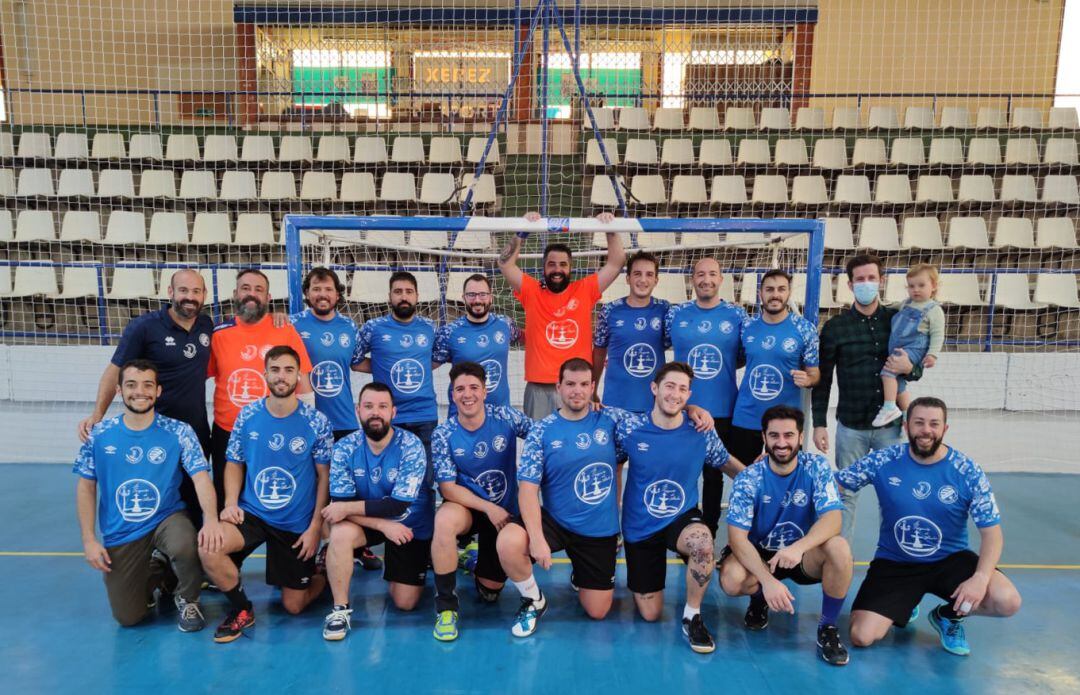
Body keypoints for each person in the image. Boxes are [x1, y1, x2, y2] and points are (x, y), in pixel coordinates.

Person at [496, 358, 713, 638]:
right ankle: (533, 599)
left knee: (598, 611)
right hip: (557, 520)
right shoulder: (542, 430)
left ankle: (582, 572)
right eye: (570, 384)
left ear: (592, 387)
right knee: (509, 541)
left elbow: (659, 413)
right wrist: (536, 538)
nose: (577, 391)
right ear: (558, 387)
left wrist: (693, 408)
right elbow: (527, 489)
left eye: (584, 384)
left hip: (598, 531)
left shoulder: (613, 420)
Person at [838, 397, 1021, 656]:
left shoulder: (967, 471)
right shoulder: (883, 460)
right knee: (861, 636)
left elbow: (993, 535)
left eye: (934, 424)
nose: (926, 430)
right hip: (896, 562)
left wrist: (980, 579)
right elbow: (836, 483)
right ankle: (907, 601)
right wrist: (778, 469)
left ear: (945, 429)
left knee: (1007, 601)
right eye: (919, 423)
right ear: (906, 427)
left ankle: (947, 615)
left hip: (950, 560)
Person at [75, 359, 222, 631]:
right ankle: (159, 569)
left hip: (167, 517)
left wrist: (211, 519)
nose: (139, 391)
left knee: (184, 542)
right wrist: (89, 540)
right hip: (122, 529)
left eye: (147, 385)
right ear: (119, 390)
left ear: (158, 391)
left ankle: (188, 598)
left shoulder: (178, 431)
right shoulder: (100, 435)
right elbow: (86, 486)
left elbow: (201, 478)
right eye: (131, 385)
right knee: (128, 617)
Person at [198, 346, 332, 643]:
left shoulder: (316, 422)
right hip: (253, 514)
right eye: (275, 369)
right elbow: (234, 462)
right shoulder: (248, 416)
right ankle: (242, 608)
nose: (281, 376)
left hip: (295, 523)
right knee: (209, 548)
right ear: (264, 374)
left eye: (288, 370)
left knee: (294, 606)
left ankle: (321, 572)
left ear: (298, 376)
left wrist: (314, 529)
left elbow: (324, 477)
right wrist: (231, 503)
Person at [613, 361, 743, 654]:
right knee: (650, 614)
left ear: (689, 395)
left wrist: (764, 478)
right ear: (654, 388)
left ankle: (692, 615)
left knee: (702, 543)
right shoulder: (630, 427)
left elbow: (727, 464)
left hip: (681, 517)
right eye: (670, 386)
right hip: (639, 524)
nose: (675, 394)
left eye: (683, 389)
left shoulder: (701, 431)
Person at [77, 269, 214, 524]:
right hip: (153, 432)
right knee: (154, 495)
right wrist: (98, 414)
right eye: (183, 290)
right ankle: (150, 552)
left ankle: (190, 554)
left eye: (196, 291)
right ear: (170, 292)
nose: (190, 297)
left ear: (204, 295)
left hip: (194, 431)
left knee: (194, 495)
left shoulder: (207, 325)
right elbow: (114, 371)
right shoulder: (144, 327)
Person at [720, 405, 852, 666]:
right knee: (732, 580)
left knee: (839, 548)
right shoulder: (749, 478)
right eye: (775, 436)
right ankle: (759, 600)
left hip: (800, 555)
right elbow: (737, 539)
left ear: (800, 437)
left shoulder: (815, 466)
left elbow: (833, 519)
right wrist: (767, 581)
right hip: (760, 554)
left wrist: (798, 548)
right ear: (764, 437)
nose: (782, 443)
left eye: (789, 435)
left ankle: (827, 628)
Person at [811, 254, 922, 540]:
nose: (866, 283)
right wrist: (819, 423)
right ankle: (840, 559)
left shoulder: (897, 321)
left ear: (881, 281)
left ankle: (897, 555)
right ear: (850, 285)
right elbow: (823, 380)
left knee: (895, 495)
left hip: (891, 427)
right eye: (860, 279)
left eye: (871, 278)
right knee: (845, 495)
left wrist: (912, 368)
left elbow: (915, 367)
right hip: (851, 428)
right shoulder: (835, 328)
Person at [319, 383, 435, 641]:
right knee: (339, 534)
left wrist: (347, 508)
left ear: (393, 412)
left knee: (405, 603)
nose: (375, 412)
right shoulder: (345, 448)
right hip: (371, 524)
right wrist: (383, 526)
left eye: (382, 407)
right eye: (369, 406)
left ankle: (413, 563)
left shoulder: (411, 445)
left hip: (408, 525)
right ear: (358, 410)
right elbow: (339, 505)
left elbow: (397, 506)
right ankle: (340, 609)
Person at [429, 361, 533, 641]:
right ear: (452, 395)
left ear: (485, 391)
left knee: (490, 594)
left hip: (504, 513)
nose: (467, 394)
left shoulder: (505, 417)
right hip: (471, 508)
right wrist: (488, 507)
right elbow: (448, 488)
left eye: (474, 387)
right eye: (460, 389)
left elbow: (541, 434)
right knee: (444, 520)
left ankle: (470, 560)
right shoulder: (444, 434)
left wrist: (583, 413)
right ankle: (447, 608)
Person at [289, 266, 382, 572]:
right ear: (306, 294)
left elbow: (358, 364)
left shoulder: (348, 327)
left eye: (328, 289)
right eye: (316, 288)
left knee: (349, 487)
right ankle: (317, 541)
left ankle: (360, 545)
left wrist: (392, 361)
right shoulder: (292, 325)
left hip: (343, 420)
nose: (322, 294)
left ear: (338, 294)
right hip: (305, 422)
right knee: (314, 486)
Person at [498, 212, 625, 420]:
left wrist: (610, 228)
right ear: (543, 267)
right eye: (551, 264)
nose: (557, 270)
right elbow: (505, 264)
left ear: (571, 267)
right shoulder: (532, 291)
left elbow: (616, 263)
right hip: (539, 389)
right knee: (539, 447)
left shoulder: (585, 290)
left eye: (563, 264)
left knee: (576, 449)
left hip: (576, 389)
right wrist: (522, 231)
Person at [208, 268, 314, 508]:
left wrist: (307, 426)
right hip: (227, 430)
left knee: (272, 499)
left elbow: (303, 380)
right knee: (228, 502)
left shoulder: (284, 330)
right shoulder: (219, 335)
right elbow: (195, 376)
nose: (251, 294)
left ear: (268, 297)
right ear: (235, 294)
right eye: (246, 288)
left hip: (274, 430)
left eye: (259, 290)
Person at [664, 256, 748, 535]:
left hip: (722, 408)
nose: (706, 279)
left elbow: (741, 358)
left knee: (715, 474)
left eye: (713, 273)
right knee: (680, 471)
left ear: (722, 279)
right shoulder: (676, 314)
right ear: (692, 279)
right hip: (681, 408)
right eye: (700, 274)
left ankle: (709, 530)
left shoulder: (736, 316)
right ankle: (676, 528)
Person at [729, 269, 820, 466]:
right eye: (769, 289)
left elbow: (814, 373)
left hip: (786, 420)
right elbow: (738, 360)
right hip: (748, 414)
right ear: (761, 293)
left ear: (789, 293)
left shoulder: (805, 329)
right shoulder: (746, 327)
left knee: (785, 478)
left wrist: (809, 379)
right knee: (744, 477)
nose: (775, 294)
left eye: (781, 289)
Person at [354, 271, 439, 463]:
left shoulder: (430, 327)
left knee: (424, 480)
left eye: (409, 292)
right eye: (398, 291)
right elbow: (355, 361)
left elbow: (437, 358)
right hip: (388, 415)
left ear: (417, 297)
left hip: (424, 415)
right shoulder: (373, 327)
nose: (404, 297)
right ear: (389, 297)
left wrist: (418, 368)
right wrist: (383, 367)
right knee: (389, 476)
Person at [592, 250, 670, 413]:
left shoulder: (666, 310)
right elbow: (599, 352)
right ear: (628, 279)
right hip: (615, 404)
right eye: (637, 274)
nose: (643, 280)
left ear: (656, 280)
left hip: (654, 406)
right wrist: (592, 390)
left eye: (649, 274)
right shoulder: (609, 310)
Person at [433, 273, 520, 414]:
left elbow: (527, 338)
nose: (477, 300)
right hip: (463, 415)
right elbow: (427, 365)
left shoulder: (505, 324)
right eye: (471, 295)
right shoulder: (449, 332)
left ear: (491, 297)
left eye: (483, 294)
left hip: (500, 414)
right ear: (464, 298)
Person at [872, 263, 944, 427]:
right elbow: (891, 306)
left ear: (933, 286)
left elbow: (938, 334)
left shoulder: (934, 310)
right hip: (899, 346)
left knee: (887, 372)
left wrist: (933, 354)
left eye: (921, 285)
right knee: (900, 384)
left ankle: (889, 406)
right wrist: (879, 303)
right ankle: (907, 415)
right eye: (911, 286)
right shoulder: (907, 303)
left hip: (915, 348)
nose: (915, 290)